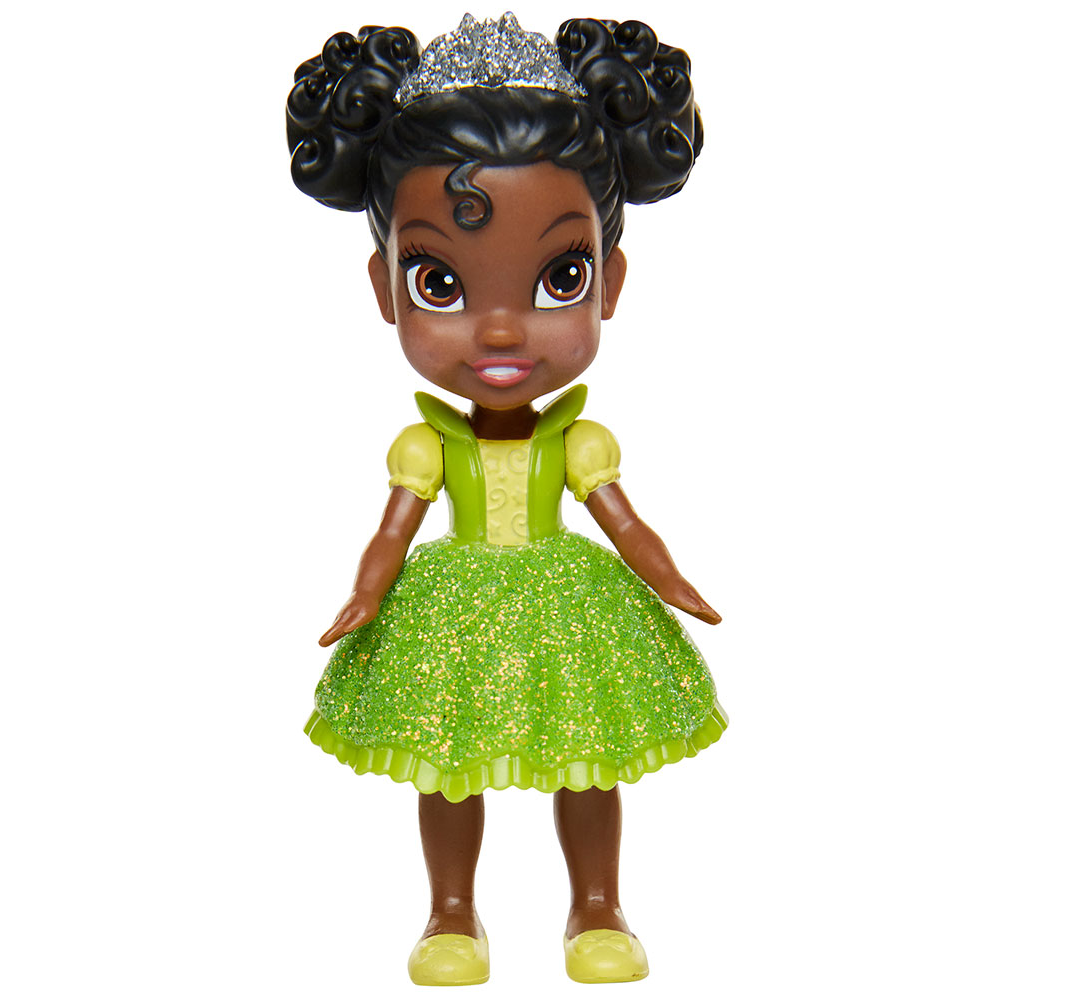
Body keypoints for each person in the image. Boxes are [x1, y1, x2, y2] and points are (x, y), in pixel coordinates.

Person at [286, 14, 727, 985]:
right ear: (385, 289)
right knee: (446, 759)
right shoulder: (424, 447)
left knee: (587, 754)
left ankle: (598, 901)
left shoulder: (578, 442)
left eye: (559, 278)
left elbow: (624, 519)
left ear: (610, 282)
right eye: (438, 281)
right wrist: (365, 594)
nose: (499, 329)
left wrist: (671, 580)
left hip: (568, 599)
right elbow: (393, 529)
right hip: (453, 605)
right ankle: (451, 909)